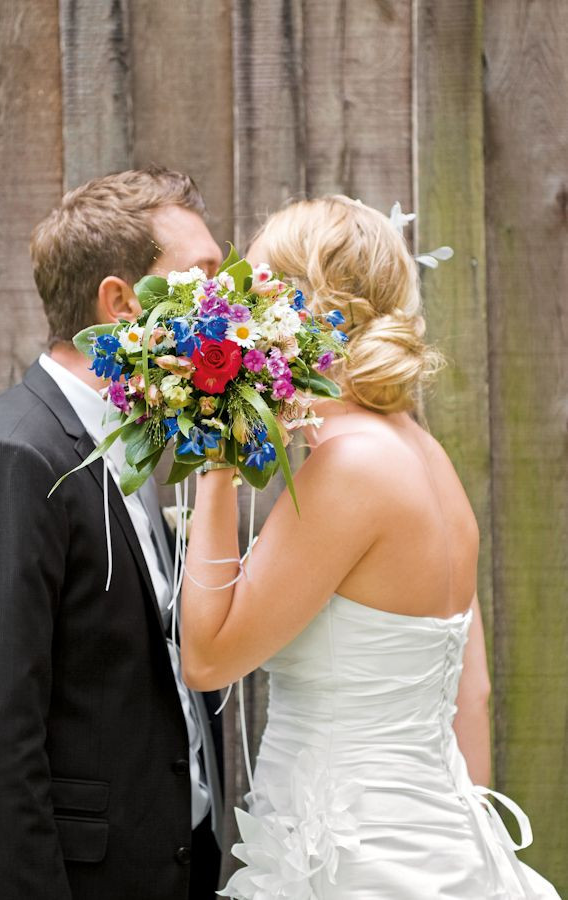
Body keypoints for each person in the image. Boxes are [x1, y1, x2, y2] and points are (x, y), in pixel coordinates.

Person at [180, 196, 560, 898]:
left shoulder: (347, 467)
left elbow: (206, 659)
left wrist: (216, 468)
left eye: (250, 290)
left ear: (295, 308)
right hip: (433, 841)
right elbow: (468, 694)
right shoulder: (423, 454)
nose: (231, 314)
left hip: (353, 861)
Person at [0, 166, 224, 900]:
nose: (226, 305)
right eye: (203, 279)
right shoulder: (12, 460)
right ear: (121, 302)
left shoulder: (126, 445)